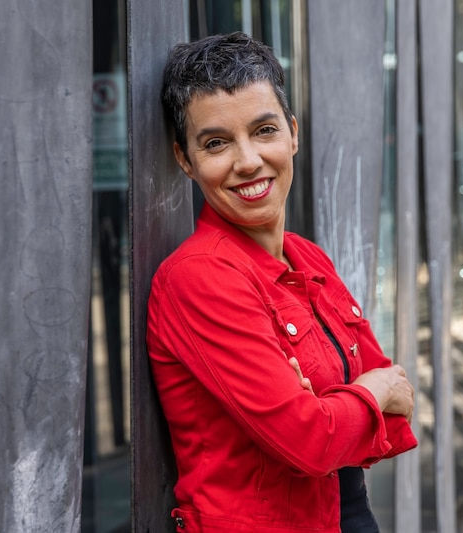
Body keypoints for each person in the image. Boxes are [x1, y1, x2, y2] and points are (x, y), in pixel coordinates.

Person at [147, 31, 417, 533]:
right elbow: (312, 440)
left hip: (345, 513)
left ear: (292, 133)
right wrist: (368, 394)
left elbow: (396, 397)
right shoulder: (197, 277)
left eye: (264, 130)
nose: (247, 160)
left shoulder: (306, 255)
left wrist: (348, 405)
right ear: (185, 160)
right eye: (216, 143)